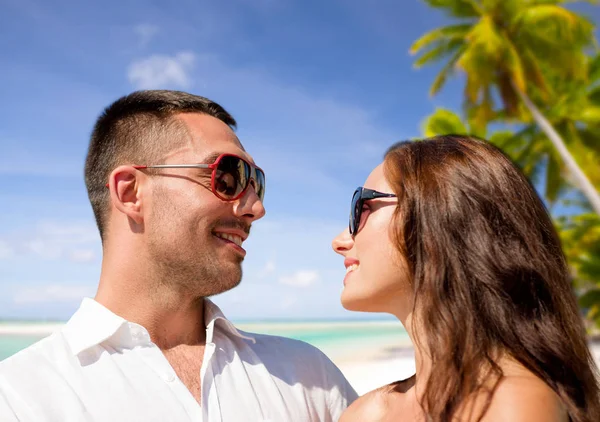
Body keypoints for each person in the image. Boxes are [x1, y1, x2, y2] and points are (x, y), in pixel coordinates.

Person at [0, 90, 357, 421]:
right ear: (130, 193)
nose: (256, 207)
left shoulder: (308, 375)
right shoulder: (19, 398)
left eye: (257, 183)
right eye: (230, 176)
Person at [332, 135, 600, 422]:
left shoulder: (510, 404)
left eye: (362, 208)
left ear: (439, 218)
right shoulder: (364, 413)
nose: (339, 241)